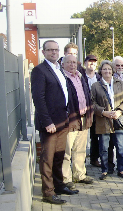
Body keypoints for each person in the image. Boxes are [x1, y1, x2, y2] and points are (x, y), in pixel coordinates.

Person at [31, 40, 78, 205]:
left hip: (62, 122)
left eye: (56, 50)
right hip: (50, 124)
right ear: (43, 52)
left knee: (59, 156)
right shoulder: (39, 71)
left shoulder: (59, 70)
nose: (53, 52)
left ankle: (59, 186)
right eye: (50, 50)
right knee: (47, 158)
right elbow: (38, 98)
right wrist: (47, 122)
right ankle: (48, 192)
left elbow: (65, 94)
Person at [91, 60, 123, 180]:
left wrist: (120, 111)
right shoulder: (95, 86)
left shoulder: (120, 83)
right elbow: (92, 103)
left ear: (112, 70)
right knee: (104, 147)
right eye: (104, 69)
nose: (107, 71)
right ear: (100, 71)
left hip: (118, 119)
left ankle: (121, 169)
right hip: (103, 120)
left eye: (109, 69)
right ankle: (105, 170)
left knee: (120, 146)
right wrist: (103, 112)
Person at [61, 55, 94, 190]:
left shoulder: (80, 76)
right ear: (63, 64)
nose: (72, 65)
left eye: (74, 62)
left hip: (84, 117)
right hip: (71, 119)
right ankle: (66, 178)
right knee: (67, 151)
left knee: (80, 149)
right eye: (69, 62)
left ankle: (79, 174)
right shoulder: (62, 77)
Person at [83, 55, 102, 167]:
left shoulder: (99, 77)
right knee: (82, 136)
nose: (92, 64)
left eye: (94, 62)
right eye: (90, 62)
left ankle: (94, 158)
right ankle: (80, 160)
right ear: (85, 63)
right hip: (84, 111)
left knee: (95, 136)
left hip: (96, 111)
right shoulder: (80, 76)